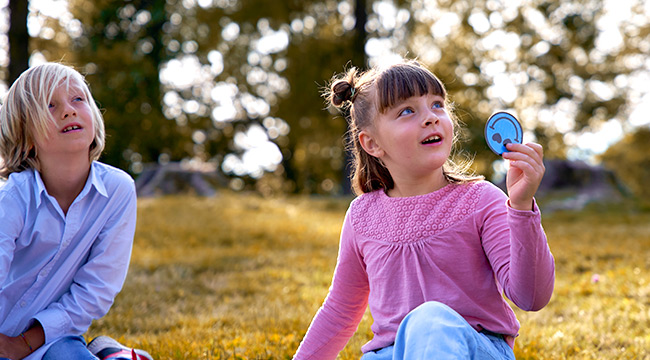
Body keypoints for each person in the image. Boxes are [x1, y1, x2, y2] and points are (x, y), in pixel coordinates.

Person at [293, 60, 555, 359]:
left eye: (437, 104)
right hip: (393, 353)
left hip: (477, 349)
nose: (431, 117)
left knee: (430, 321)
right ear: (372, 143)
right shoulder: (361, 216)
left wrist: (521, 207)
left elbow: (531, 296)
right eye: (407, 111)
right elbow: (340, 311)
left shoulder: (481, 200)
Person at [0, 63, 151, 360]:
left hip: (53, 340)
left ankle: (109, 354)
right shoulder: (12, 198)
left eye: (77, 99)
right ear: (26, 135)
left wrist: (25, 344)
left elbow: (95, 290)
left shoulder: (117, 190)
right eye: (50, 105)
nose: (68, 110)